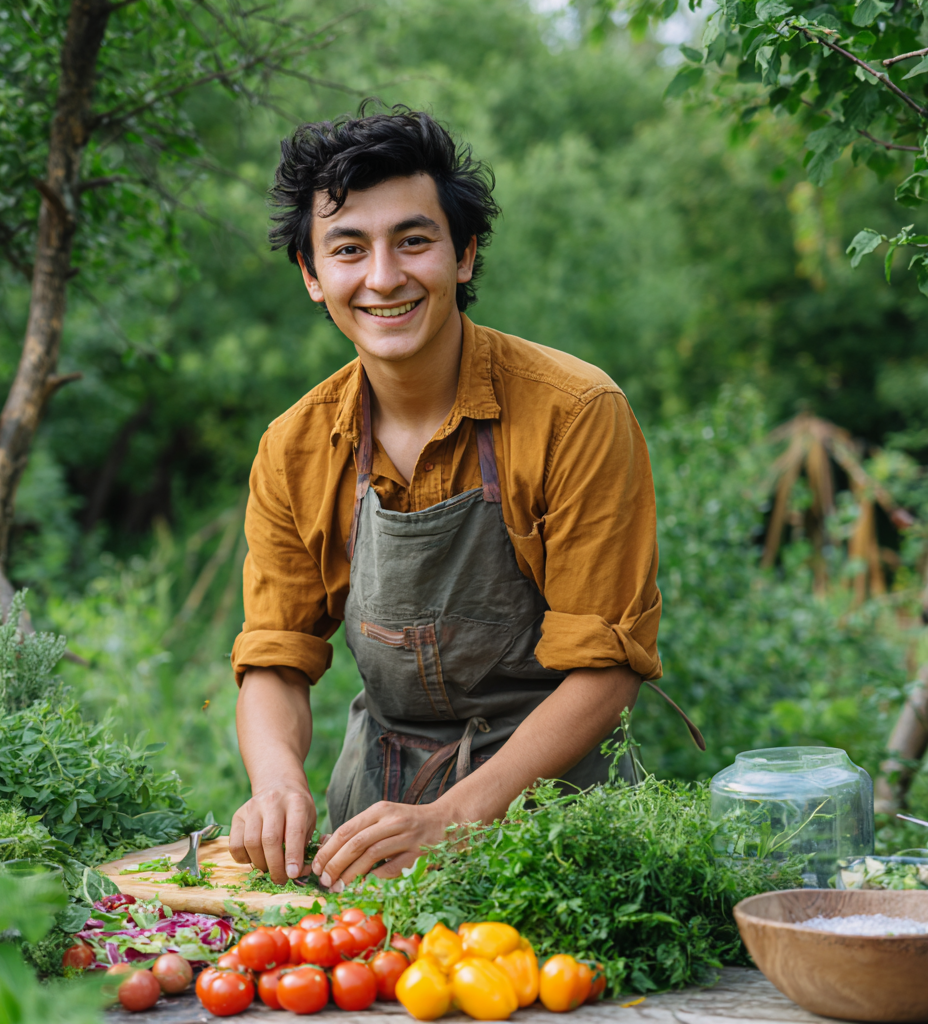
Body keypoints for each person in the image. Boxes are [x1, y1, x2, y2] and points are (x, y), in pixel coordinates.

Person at [228, 104, 682, 893]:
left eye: (414, 240)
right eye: (348, 249)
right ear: (311, 275)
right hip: (368, 831)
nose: (383, 277)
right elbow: (275, 657)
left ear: (465, 254)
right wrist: (277, 785)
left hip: (559, 831)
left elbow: (609, 665)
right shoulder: (293, 447)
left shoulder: (574, 412)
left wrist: (454, 822)